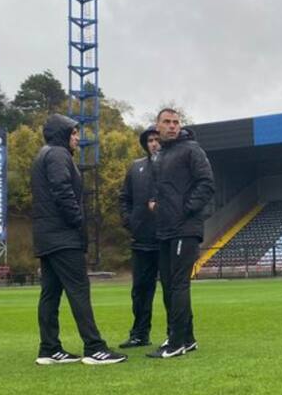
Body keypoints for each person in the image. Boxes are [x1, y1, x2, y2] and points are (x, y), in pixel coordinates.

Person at [31, 113, 127, 365]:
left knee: (50, 293)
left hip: (46, 237)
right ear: (62, 134)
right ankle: (95, 348)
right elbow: (62, 190)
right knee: (78, 290)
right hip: (63, 236)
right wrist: (77, 220)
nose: (77, 138)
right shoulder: (58, 155)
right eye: (73, 133)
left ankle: (49, 349)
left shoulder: (43, 154)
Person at [146, 108, 215, 359]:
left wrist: (185, 210)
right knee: (168, 285)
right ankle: (187, 337)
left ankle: (175, 342)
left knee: (178, 284)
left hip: (184, 228)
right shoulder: (160, 155)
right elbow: (162, 189)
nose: (172, 126)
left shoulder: (191, 150)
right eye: (167, 122)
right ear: (158, 126)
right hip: (164, 229)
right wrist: (156, 202)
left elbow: (206, 183)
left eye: (176, 122)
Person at [118, 125, 164, 348]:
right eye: (150, 140)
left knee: (173, 291)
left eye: (157, 139)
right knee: (140, 291)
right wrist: (130, 221)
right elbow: (124, 198)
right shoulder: (136, 168)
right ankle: (139, 334)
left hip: (167, 239)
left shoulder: (175, 166)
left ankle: (176, 334)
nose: (154, 143)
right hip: (141, 240)